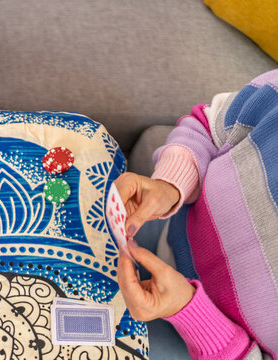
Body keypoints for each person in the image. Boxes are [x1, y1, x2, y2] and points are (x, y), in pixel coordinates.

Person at [116, 69, 278, 359]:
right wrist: (171, 185)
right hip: (158, 230)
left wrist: (188, 312)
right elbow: (208, 127)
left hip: (204, 348)